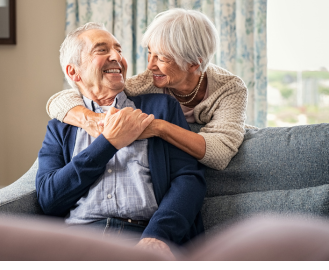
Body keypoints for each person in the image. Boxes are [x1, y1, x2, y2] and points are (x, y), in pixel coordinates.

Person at [36, 22, 206, 259]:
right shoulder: (61, 126)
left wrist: (158, 236)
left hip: (142, 235)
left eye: (119, 50)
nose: (117, 57)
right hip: (80, 241)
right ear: (74, 72)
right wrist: (108, 143)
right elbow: (49, 199)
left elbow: (189, 180)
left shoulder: (160, 108)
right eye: (102, 50)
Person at [46, 8, 250, 171]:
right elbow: (62, 99)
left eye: (161, 58)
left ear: (193, 64)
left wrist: (158, 128)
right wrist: (91, 119)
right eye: (149, 53)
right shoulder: (148, 82)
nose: (150, 66)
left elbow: (220, 153)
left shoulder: (229, 89)